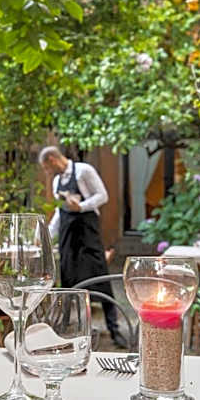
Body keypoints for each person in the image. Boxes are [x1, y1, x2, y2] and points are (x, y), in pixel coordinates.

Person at [38, 146, 126, 348]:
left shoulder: (84, 171)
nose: (47, 172)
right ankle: (66, 331)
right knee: (68, 283)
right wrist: (45, 236)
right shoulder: (56, 182)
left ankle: (115, 331)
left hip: (88, 235)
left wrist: (82, 206)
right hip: (68, 240)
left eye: (46, 167)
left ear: (52, 159)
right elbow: (60, 213)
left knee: (101, 280)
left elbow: (103, 195)